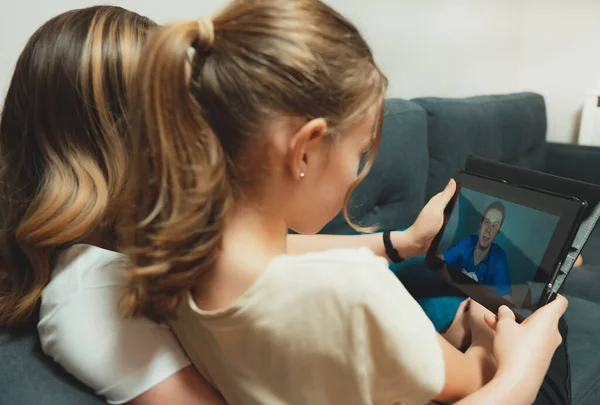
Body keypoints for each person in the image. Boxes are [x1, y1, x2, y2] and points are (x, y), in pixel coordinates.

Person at [0, 5, 498, 404]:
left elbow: (257, 260)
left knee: (453, 295)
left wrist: (398, 243)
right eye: (174, 109)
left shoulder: (149, 239)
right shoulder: (91, 291)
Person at [117, 1, 568, 404]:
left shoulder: (176, 252)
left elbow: (283, 253)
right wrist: (520, 358)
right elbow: (478, 380)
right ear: (306, 148)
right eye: (360, 153)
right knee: (550, 318)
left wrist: (405, 241)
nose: (357, 173)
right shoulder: (351, 289)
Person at [444, 201, 512, 298]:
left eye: (495, 225)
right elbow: (440, 260)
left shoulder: (498, 257)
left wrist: (477, 290)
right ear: (481, 224)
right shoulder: (468, 241)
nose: (489, 229)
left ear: (497, 232)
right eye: (487, 222)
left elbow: (507, 300)